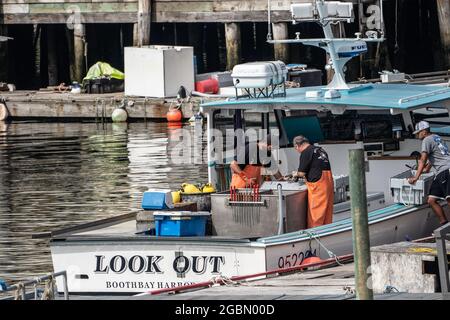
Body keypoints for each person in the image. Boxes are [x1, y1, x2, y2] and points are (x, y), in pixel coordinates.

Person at [408, 121, 450, 225]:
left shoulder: (426, 140)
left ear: (424, 131)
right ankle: (444, 224)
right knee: (431, 200)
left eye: (418, 133)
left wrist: (416, 177)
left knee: (449, 199)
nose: (417, 135)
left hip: (445, 170)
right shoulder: (436, 137)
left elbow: (423, 159)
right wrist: (426, 169)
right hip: (442, 171)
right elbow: (436, 155)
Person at [291, 135, 334, 228]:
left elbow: (301, 173)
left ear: (297, 146)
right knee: (326, 212)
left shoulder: (305, 152)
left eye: (296, 149)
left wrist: (295, 174)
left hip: (318, 186)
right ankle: (326, 232)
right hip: (328, 183)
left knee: (316, 213)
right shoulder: (320, 150)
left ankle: (315, 234)